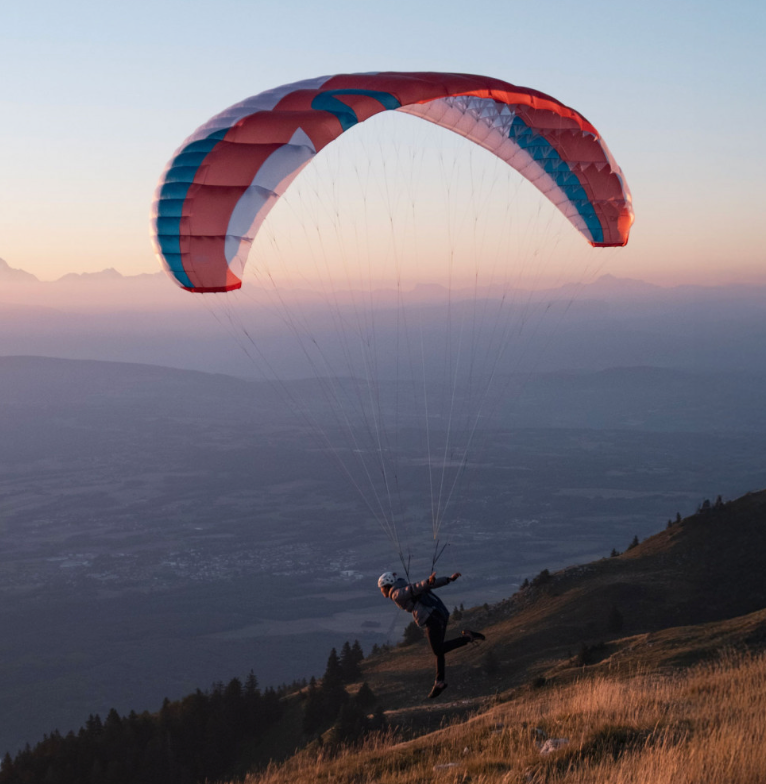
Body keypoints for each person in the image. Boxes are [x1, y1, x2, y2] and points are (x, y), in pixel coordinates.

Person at [378, 570, 485, 698]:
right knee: (439, 650)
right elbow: (426, 586)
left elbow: (414, 588)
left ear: (386, 586)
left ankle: (467, 637)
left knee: (438, 650)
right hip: (440, 613)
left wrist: (428, 582)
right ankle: (439, 682)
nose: (381, 591)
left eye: (381, 588)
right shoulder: (403, 587)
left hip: (431, 617)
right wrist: (448, 579)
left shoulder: (396, 594)